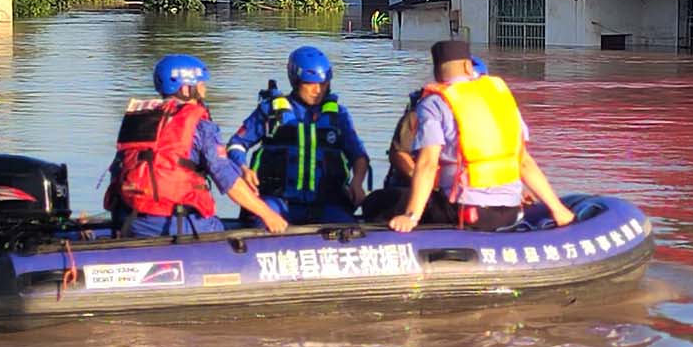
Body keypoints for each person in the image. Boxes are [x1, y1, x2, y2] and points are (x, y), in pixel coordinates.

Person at [387, 39, 574, 233]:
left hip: (466, 211)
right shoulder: (501, 97)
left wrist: (411, 216)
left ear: (436, 73)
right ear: (469, 67)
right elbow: (524, 162)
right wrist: (558, 209)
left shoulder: (433, 103)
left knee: (378, 203)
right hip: (511, 211)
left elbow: (427, 164)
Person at [108, 55, 288, 238]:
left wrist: (240, 168)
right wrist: (268, 215)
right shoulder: (200, 125)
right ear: (185, 89)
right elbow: (227, 181)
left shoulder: (138, 120)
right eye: (200, 83)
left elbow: (118, 171)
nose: (204, 87)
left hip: (132, 220)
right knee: (223, 229)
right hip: (175, 222)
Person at [225, 44, 369, 225]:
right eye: (311, 84)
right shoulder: (271, 110)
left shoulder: (338, 115)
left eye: (323, 84)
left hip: (326, 203)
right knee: (261, 223)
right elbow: (236, 144)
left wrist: (357, 182)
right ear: (296, 81)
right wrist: (243, 169)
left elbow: (359, 155)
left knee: (348, 228)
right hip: (277, 200)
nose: (318, 90)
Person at [361, 54, 484, 224]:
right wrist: (427, 185)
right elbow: (399, 154)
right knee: (376, 201)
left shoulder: (489, 119)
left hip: (467, 197)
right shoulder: (424, 111)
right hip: (421, 189)